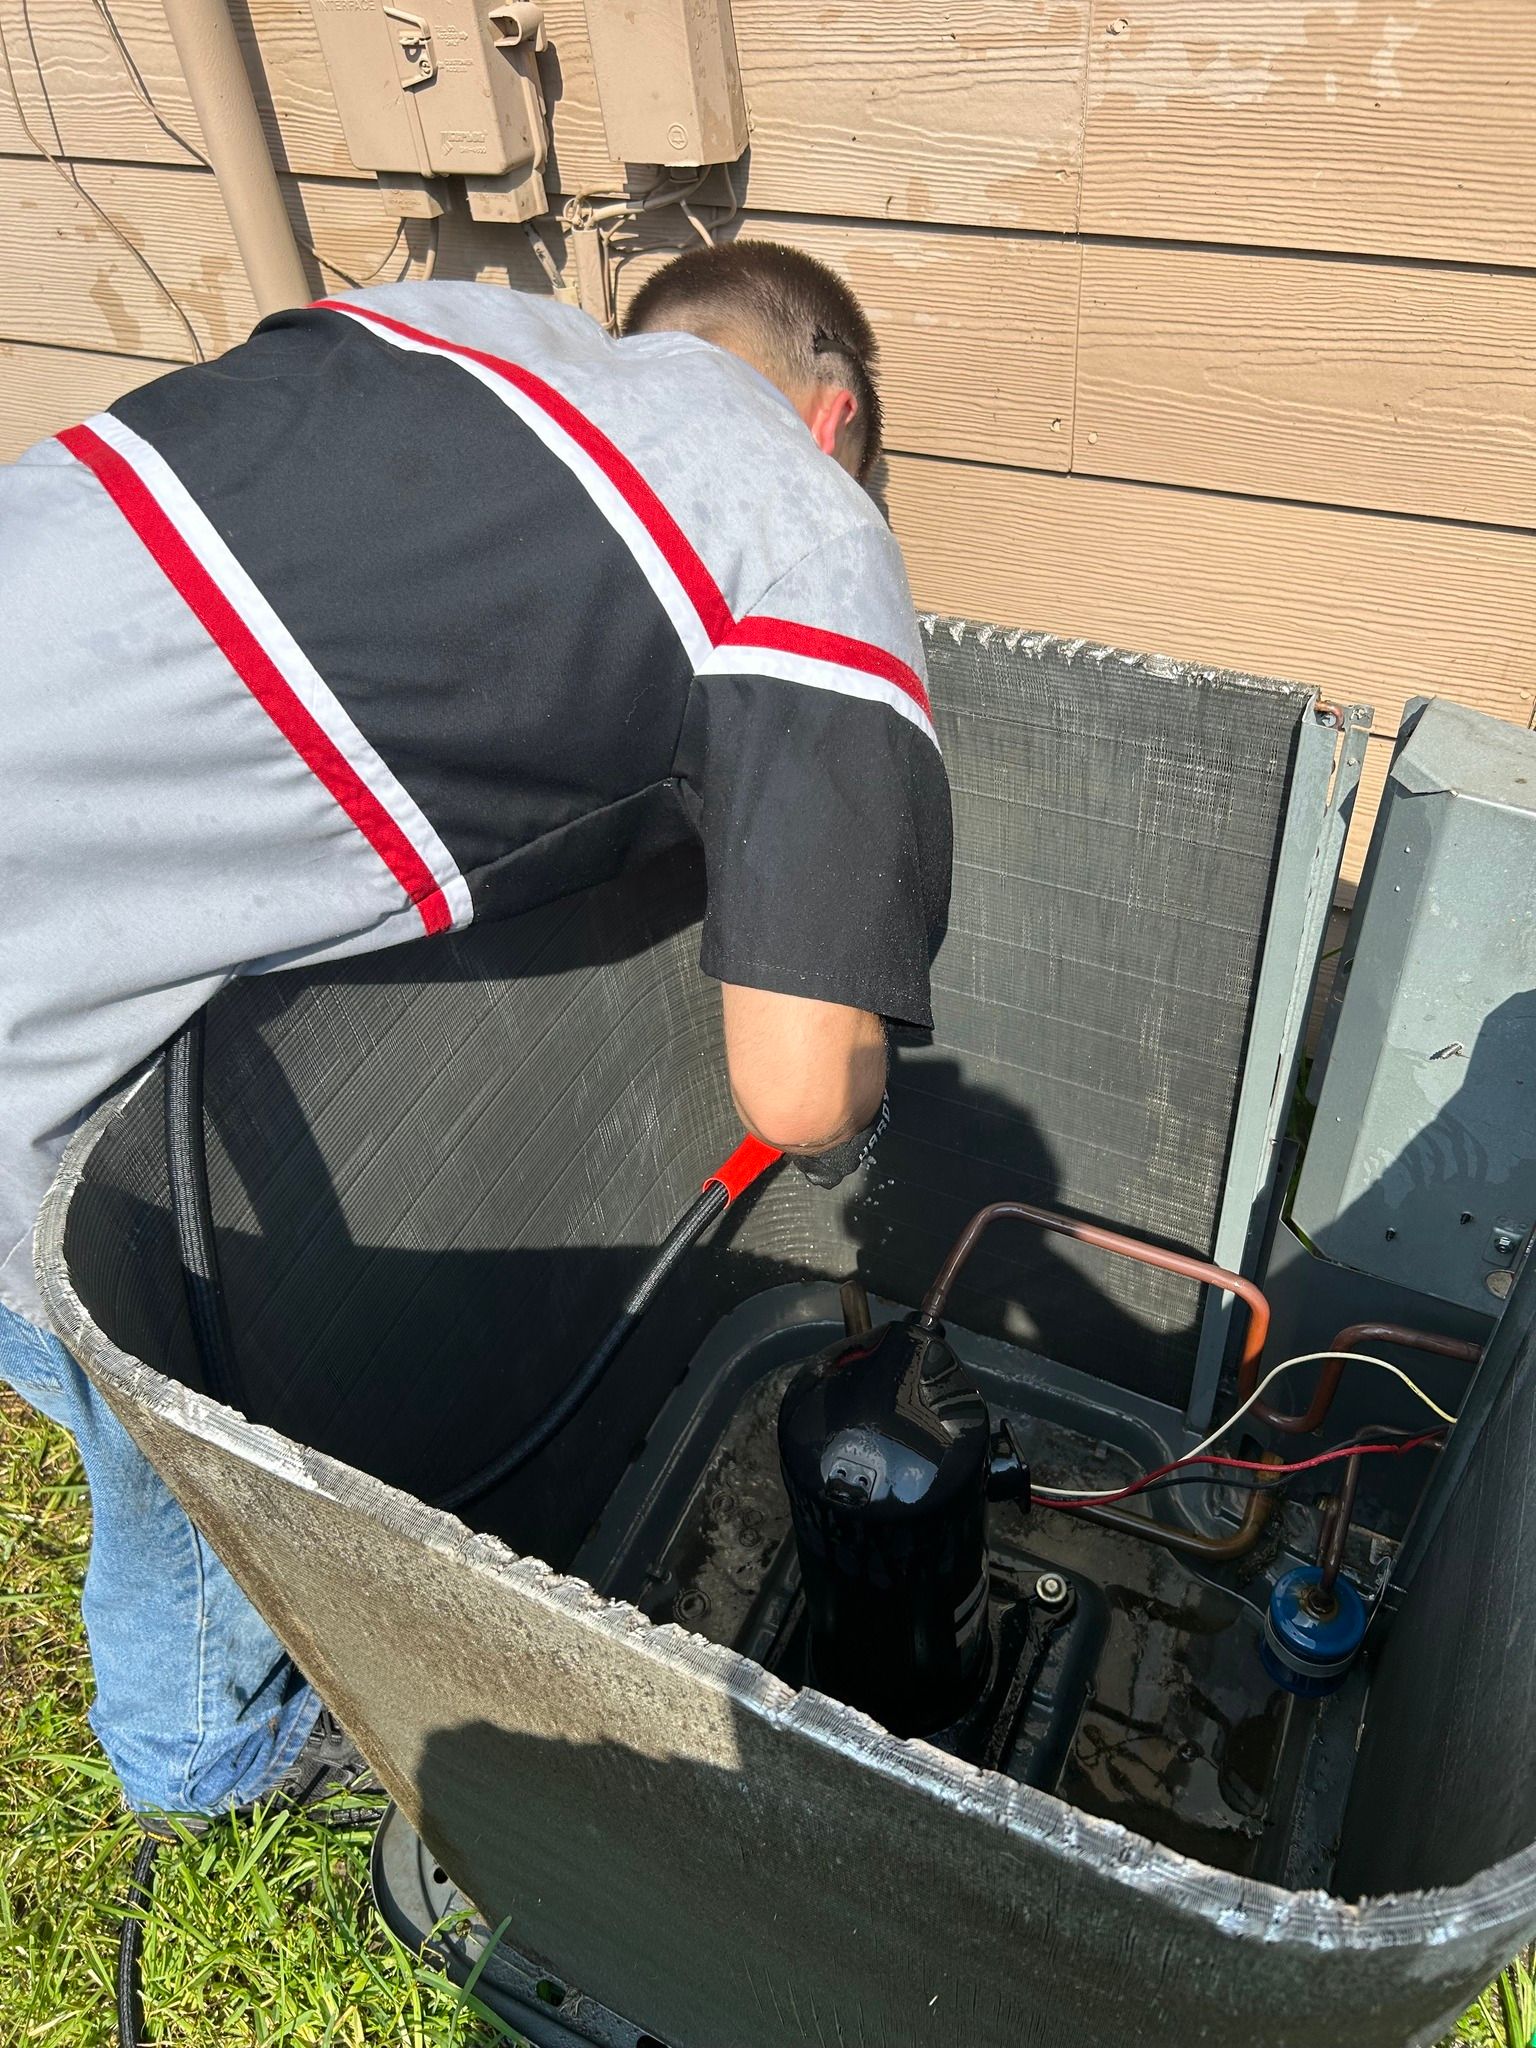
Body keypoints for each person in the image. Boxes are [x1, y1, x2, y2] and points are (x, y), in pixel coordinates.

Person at [0, 241, 952, 1827]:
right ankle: (205, 1763)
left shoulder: (439, 322)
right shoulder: (799, 519)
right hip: (21, 1032)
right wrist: (861, 1111)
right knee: (175, 1425)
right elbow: (797, 1092)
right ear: (834, 415)